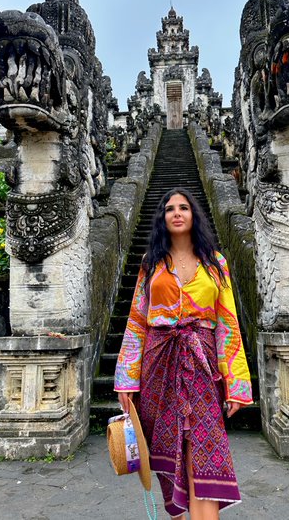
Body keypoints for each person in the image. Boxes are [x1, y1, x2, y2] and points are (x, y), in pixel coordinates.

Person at [114, 187, 253, 519]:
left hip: (202, 363)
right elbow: (137, 321)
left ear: (193, 216)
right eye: (170, 209)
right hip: (158, 364)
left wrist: (236, 384)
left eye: (183, 208)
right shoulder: (151, 264)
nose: (176, 213)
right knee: (167, 446)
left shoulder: (215, 263)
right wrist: (126, 380)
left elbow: (228, 323)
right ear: (163, 218)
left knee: (204, 444)